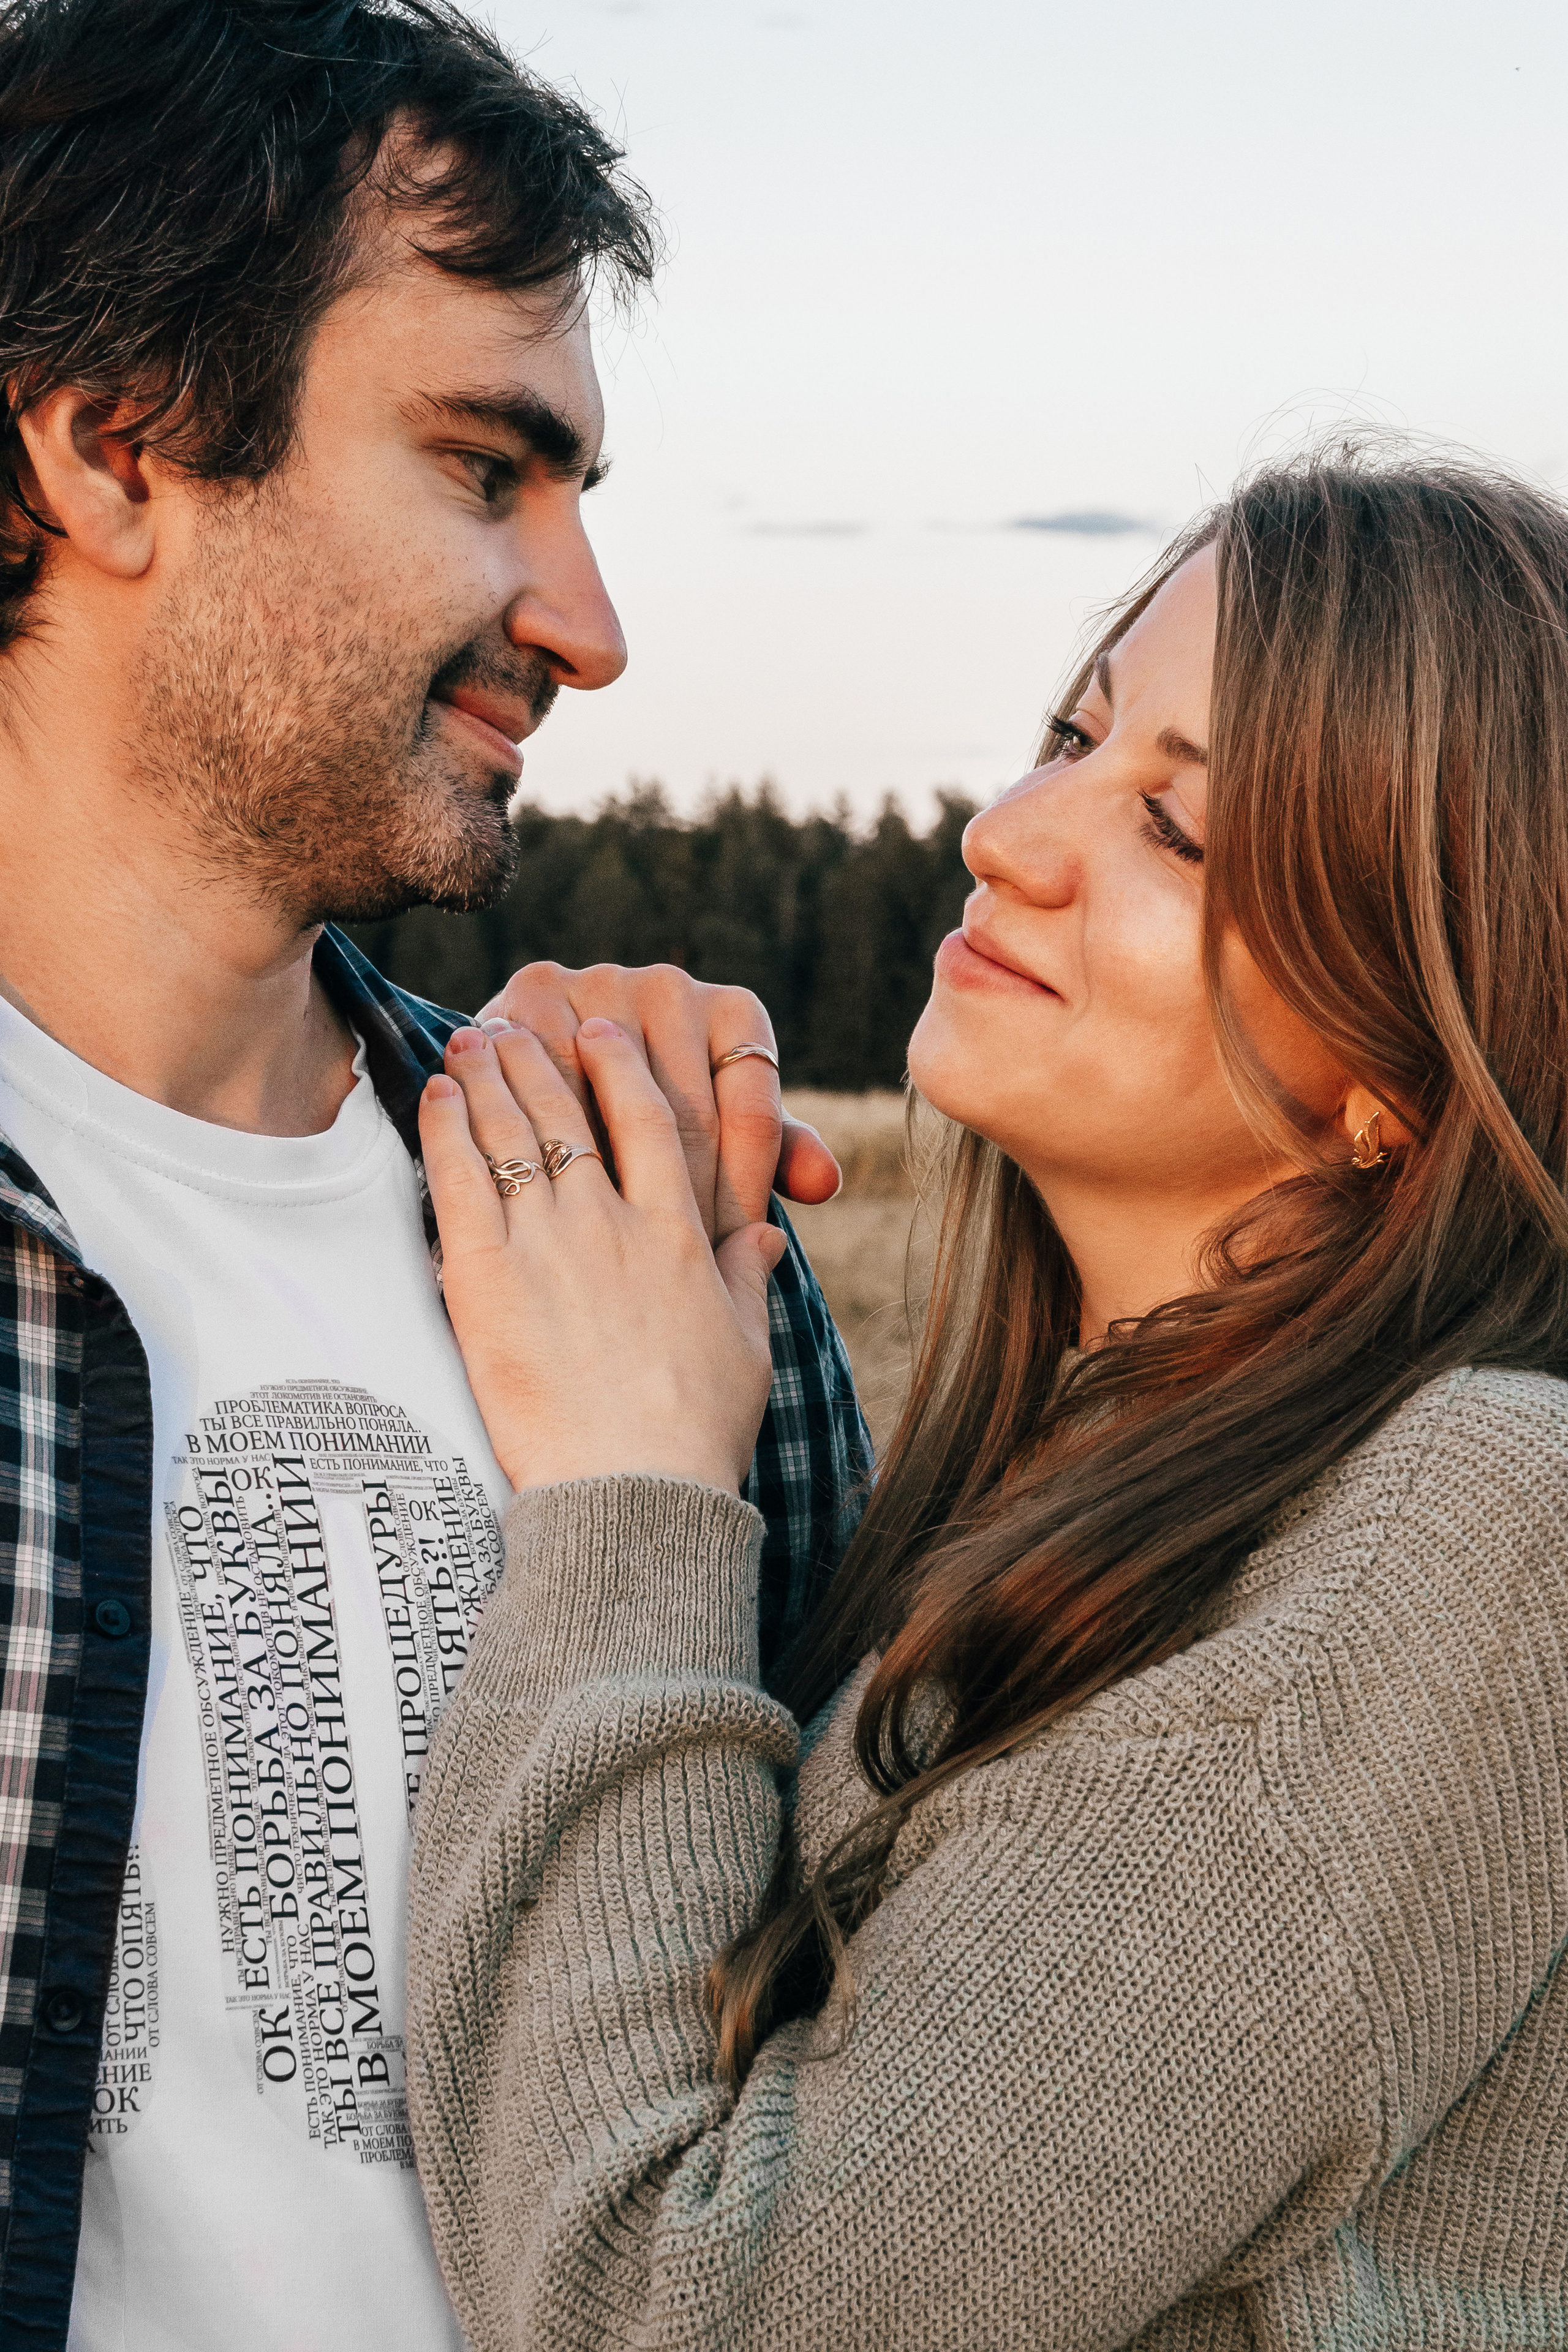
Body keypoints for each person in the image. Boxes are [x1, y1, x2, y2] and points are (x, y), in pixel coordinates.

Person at [409, 447, 1568, 2350]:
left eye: (1180, 836)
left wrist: (630, 1478)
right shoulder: (1078, 1499)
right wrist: (612, 1140)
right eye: (1072, 736)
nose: (1012, 830)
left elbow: (673, 2308)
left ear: (1408, 1066)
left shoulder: (1479, 1522)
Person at [0, 4, 868, 2346]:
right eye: (490, 468)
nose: (590, 625)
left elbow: (830, 2075)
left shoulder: (662, 1232)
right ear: (114, 447)